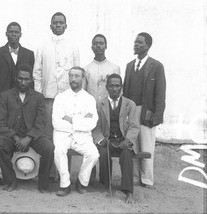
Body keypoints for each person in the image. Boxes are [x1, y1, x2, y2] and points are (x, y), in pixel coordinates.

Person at [0, 64, 54, 193]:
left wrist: (28, 138)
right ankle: (10, 180)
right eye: (20, 79)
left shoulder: (39, 97)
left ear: (31, 80)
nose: (23, 82)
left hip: (33, 135)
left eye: (26, 79)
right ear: (15, 78)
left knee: (49, 148)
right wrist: (15, 137)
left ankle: (43, 184)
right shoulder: (5, 96)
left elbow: (41, 123)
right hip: (11, 135)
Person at [123, 32, 166, 187]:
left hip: (146, 111)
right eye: (135, 42)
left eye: (140, 42)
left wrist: (157, 116)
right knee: (132, 145)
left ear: (148, 46)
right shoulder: (129, 66)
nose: (136, 44)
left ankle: (147, 179)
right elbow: (125, 93)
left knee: (147, 146)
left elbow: (160, 93)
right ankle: (134, 177)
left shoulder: (157, 66)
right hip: (131, 111)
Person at [52, 66, 99, 197]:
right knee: (59, 150)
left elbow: (92, 123)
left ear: (83, 79)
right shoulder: (60, 97)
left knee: (94, 154)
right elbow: (56, 122)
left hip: (82, 136)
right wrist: (80, 121)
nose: (73, 79)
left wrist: (70, 119)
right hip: (63, 134)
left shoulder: (89, 99)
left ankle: (81, 181)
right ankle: (65, 184)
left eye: (77, 76)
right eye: (71, 76)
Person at [33, 12, 80, 142]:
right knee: (47, 132)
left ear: (66, 26)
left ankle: (65, 163)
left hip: (68, 98)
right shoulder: (43, 46)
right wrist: (39, 95)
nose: (58, 25)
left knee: (67, 132)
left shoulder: (73, 47)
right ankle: (48, 162)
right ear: (50, 26)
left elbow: (77, 73)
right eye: (55, 23)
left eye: (61, 23)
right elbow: (37, 73)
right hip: (48, 98)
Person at [93, 73, 139, 204]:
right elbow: (95, 127)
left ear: (121, 87)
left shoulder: (130, 104)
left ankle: (128, 191)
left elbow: (134, 126)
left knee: (126, 156)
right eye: (111, 86)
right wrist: (100, 139)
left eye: (117, 86)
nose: (114, 89)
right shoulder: (99, 104)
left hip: (123, 140)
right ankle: (107, 185)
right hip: (107, 140)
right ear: (106, 87)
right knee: (103, 153)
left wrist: (127, 141)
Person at [0, 22, 35, 109]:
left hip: (23, 99)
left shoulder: (29, 54)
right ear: (6, 34)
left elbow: (31, 79)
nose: (14, 34)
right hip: (2, 100)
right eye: (11, 32)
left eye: (17, 32)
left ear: (20, 34)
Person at [84, 34, 120, 103]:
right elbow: (83, 93)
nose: (98, 46)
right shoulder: (86, 69)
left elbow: (119, 92)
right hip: (92, 108)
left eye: (101, 43)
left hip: (109, 109)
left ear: (106, 46)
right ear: (92, 47)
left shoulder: (114, 68)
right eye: (95, 44)